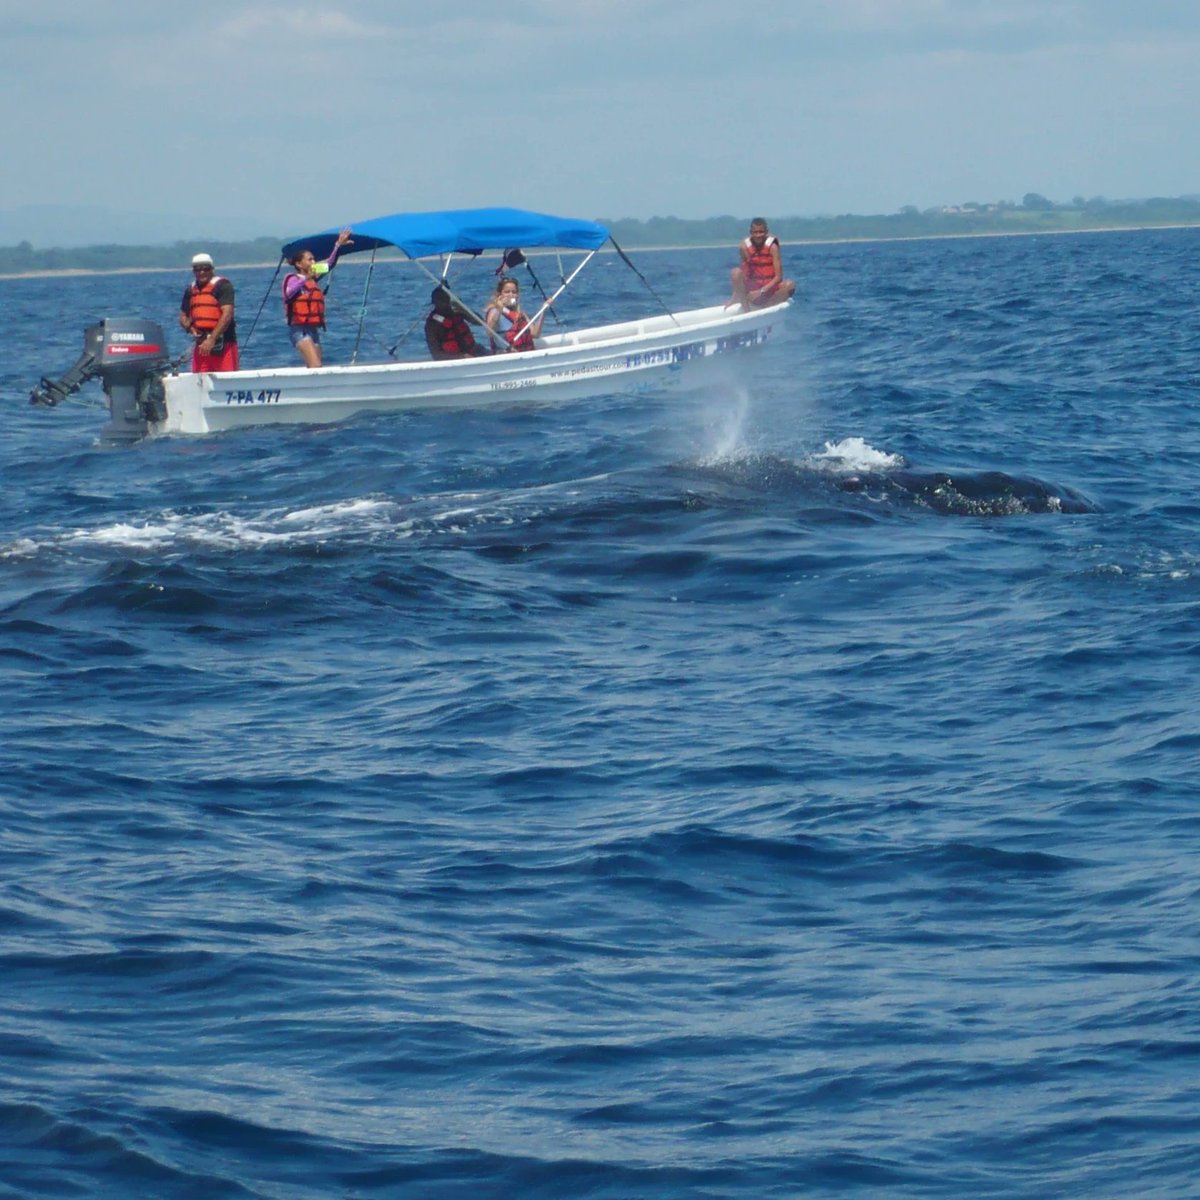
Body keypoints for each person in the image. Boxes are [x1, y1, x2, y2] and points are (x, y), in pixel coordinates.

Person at [282, 228, 353, 367]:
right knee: (316, 365)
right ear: (299, 264)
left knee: (317, 366)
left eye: (314, 259)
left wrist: (338, 245)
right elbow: (289, 293)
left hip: (313, 329)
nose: (314, 262)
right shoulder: (292, 278)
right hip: (299, 330)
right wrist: (306, 278)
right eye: (310, 259)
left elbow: (329, 263)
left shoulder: (313, 276)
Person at [179, 253, 239, 372]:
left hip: (224, 343)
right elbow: (183, 315)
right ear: (193, 271)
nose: (202, 272)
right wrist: (190, 328)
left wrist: (212, 339)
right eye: (197, 269)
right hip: (201, 345)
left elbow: (227, 314)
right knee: (199, 381)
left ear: (212, 269)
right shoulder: (191, 289)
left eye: (205, 268)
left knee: (226, 379)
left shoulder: (222, 286)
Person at [729, 218, 796, 309]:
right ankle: (746, 312)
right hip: (751, 294)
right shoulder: (744, 247)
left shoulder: (773, 247)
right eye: (755, 232)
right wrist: (735, 296)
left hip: (768, 293)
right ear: (751, 232)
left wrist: (761, 291)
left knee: (789, 285)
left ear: (766, 232)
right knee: (735, 272)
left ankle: (767, 310)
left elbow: (778, 277)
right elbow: (742, 275)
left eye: (761, 232)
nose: (758, 235)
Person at [425, 285, 488, 359]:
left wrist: (464, 309)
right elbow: (436, 354)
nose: (445, 304)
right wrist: (461, 357)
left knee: (493, 352)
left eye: (447, 300)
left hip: (473, 351)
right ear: (435, 303)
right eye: (442, 301)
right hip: (455, 358)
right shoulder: (432, 325)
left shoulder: (457, 312)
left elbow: (480, 322)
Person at [484, 275, 543, 352]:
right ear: (499, 294)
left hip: (525, 352)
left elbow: (535, 334)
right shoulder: (494, 311)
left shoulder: (519, 313)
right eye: (507, 292)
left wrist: (543, 311)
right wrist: (500, 308)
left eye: (514, 292)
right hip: (507, 355)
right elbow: (489, 332)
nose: (511, 295)